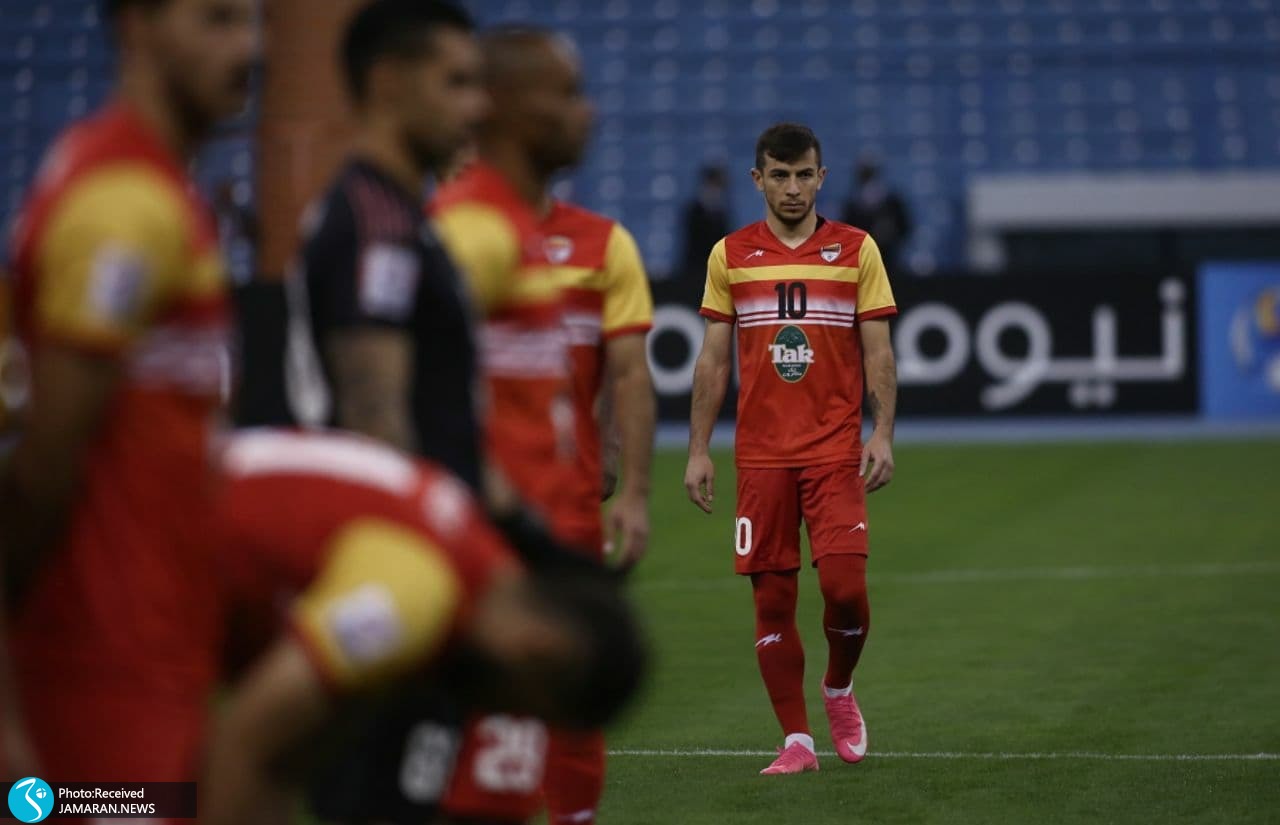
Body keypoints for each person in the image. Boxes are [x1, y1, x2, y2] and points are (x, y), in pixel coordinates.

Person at [0, 0, 256, 784]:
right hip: (100, 664)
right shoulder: (122, 206)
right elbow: (43, 464)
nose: (248, 47)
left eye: (253, 21)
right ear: (138, 25)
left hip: (152, 649)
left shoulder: (159, 190)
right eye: (217, 20)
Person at [200, 429, 646, 825]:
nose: (495, 710)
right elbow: (242, 742)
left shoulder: (470, 552)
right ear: (541, 648)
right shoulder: (415, 597)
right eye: (526, 708)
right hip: (162, 554)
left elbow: (278, 767)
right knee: (162, 795)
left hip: (177, 544)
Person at [683, 123, 898, 776]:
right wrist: (698, 449)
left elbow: (878, 352)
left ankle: (838, 686)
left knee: (845, 589)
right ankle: (798, 740)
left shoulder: (857, 250)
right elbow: (713, 360)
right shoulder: (729, 254)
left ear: (822, 177)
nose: (794, 188)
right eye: (780, 176)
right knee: (772, 602)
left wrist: (882, 432)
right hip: (761, 458)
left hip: (834, 453)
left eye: (805, 175)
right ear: (758, 180)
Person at [429, 27, 604, 825]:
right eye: (566, 94)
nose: (585, 112)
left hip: (521, 562)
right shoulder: (475, 231)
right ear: (509, 107)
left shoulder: (514, 226)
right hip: (484, 573)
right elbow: (419, 399)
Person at [286, 0, 488, 491]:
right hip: (401, 528)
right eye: (456, 83)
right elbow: (375, 426)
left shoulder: (399, 215)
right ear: (388, 83)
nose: (478, 108)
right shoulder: (376, 226)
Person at [539, 107, 656, 825]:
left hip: (570, 501)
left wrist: (632, 487)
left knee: (572, 677)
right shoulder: (440, 235)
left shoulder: (602, 244)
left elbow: (629, 373)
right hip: (466, 506)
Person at [840, 156, 912, 274]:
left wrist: (890, 233)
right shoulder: (853, 207)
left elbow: (905, 227)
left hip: (890, 262)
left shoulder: (892, 203)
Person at [678, 164, 730, 280]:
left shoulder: (722, 215)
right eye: (714, 186)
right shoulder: (693, 212)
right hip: (695, 273)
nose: (716, 192)